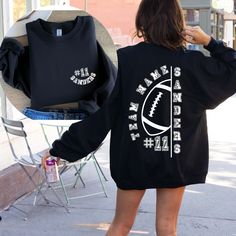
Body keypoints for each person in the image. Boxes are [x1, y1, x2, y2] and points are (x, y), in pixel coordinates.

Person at [42, 0, 236, 235]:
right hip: (175, 157)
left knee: (121, 225)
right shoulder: (192, 64)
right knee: (167, 227)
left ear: (142, 21)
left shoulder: (122, 61)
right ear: (178, 23)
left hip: (134, 157)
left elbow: (98, 115)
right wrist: (211, 43)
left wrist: (61, 150)